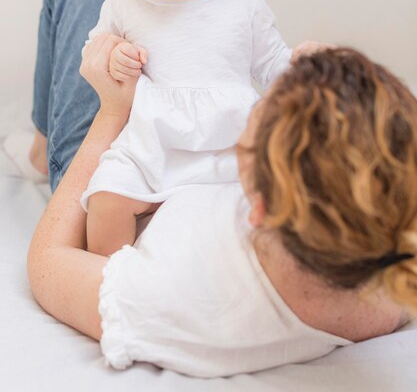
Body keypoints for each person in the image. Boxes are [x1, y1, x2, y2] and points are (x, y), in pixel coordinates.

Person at [27, 30, 417, 377]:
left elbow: (47, 260)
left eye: (248, 130)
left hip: (117, 169)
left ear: (258, 209)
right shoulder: (388, 257)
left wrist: (113, 111)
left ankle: (40, 149)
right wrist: (336, 82)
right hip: (174, 157)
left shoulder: (170, 299)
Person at [75, 0, 326, 256]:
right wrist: (113, 53)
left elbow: (275, 71)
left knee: (280, 207)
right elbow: (93, 54)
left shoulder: (244, 3)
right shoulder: (123, 1)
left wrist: (306, 65)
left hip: (227, 148)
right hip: (149, 144)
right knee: (106, 199)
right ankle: (109, 278)